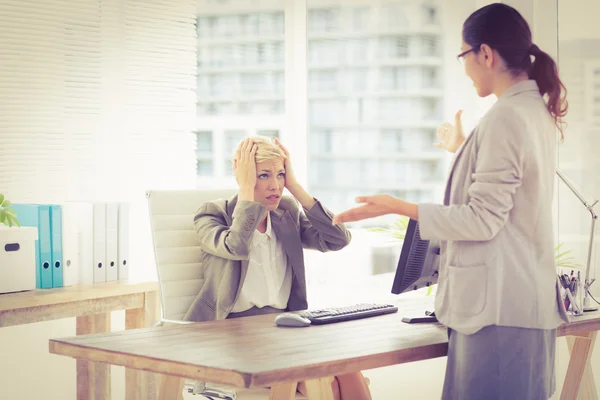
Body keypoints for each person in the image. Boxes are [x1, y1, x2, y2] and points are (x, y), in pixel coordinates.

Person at [332, 3, 569, 399]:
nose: (464, 67)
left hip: (497, 311)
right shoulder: (531, 111)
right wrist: (463, 149)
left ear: (486, 54)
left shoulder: (506, 117)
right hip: (518, 304)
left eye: (464, 56)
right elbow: (511, 197)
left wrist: (396, 206)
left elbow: (483, 220)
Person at [184, 136, 372, 400]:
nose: (275, 186)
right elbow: (236, 245)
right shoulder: (212, 214)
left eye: (280, 175)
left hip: (284, 328)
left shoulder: (286, 211)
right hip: (230, 335)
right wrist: (247, 191)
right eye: (263, 175)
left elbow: (338, 239)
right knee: (323, 386)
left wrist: (295, 187)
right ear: (244, 176)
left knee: (349, 368)